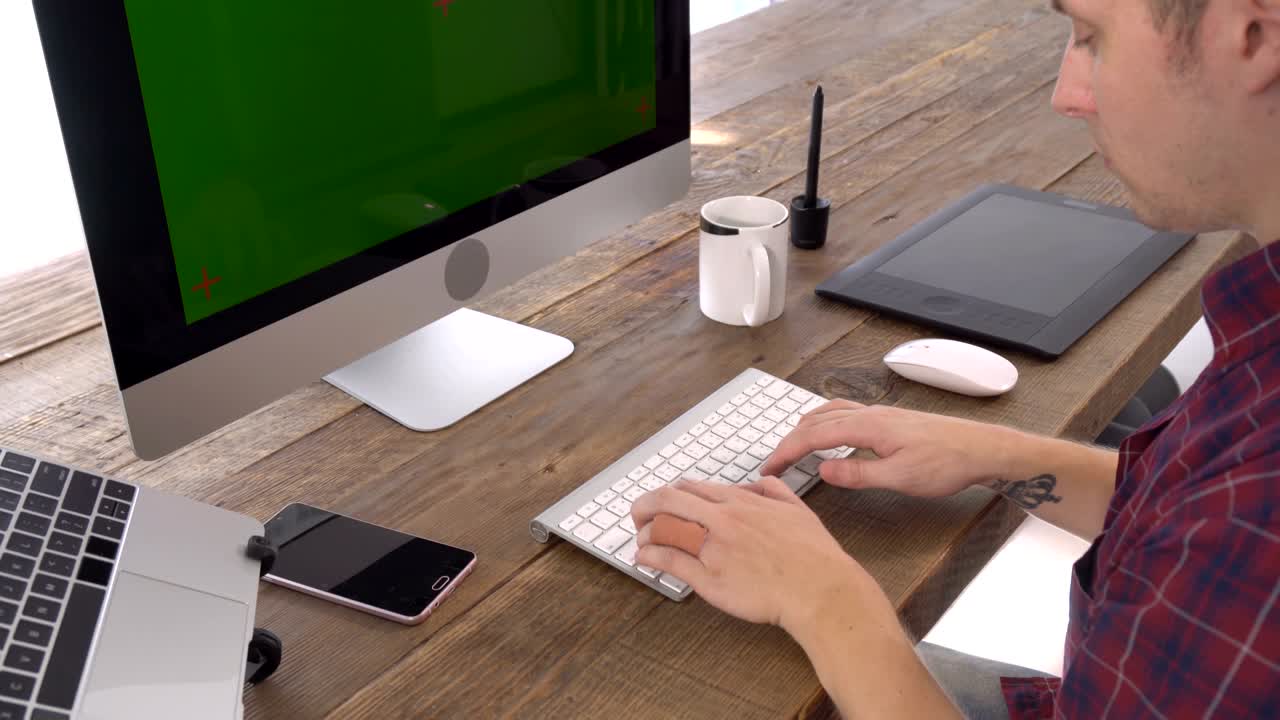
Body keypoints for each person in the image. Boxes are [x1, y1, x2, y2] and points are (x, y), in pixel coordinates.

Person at [631, 0, 1280, 716]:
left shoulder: (1259, 513)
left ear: (1255, 34)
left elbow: (1223, 521)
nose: (1066, 94)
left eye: (1092, 38)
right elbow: (1183, 513)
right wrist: (995, 455)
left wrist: (820, 596)